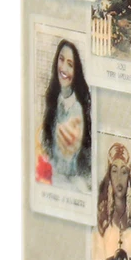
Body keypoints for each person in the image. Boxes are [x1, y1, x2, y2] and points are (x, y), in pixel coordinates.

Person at [36, 39, 92, 190]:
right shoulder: (53, 100)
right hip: (51, 178)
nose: (63, 68)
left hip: (69, 182)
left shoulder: (76, 109)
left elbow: (69, 160)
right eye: (61, 60)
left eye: (70, 64)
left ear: (76, 72)